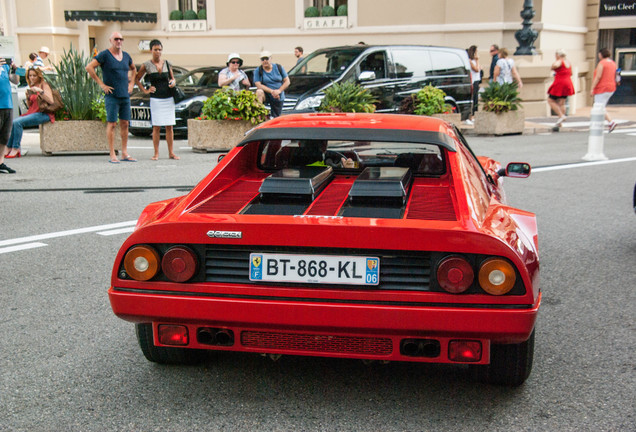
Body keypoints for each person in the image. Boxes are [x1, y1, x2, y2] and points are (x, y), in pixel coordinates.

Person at [86, 32, 137, 163]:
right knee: (112, 123)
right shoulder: (104, 55)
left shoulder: (126, 56)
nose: (118, 41)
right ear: (111, 40)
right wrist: (101, 84)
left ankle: (125, 153)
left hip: (124, 95)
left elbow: (134, 68)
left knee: (125, 123)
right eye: (116, 39)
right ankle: (112, 153)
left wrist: (131, 84)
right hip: (111, 95)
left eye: (120, 39)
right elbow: (89, 67)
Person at [135, 39, 179, 161]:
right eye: (155, 49)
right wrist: (145, 90)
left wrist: (173, 82)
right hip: (156, 98)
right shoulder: (147, 65)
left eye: (159, 49)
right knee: (156, 127)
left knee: (169, 126)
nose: (158, 52)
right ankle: (156, 153)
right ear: (151, 50)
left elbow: (172, 78)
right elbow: (137, 78)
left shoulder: (167, 63)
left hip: (168, 97)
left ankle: (171, 152)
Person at [5, 68, 55, 158]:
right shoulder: (31, 86)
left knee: (17, 122)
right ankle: (9, 147)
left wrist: (40, 91)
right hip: (33, 113)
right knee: (14, 122)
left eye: (34, 76)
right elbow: (30, 105)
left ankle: (16, 148)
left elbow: (51, 101)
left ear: (39, 76)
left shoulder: (43, 85)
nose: (32, 78)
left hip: (44, 114)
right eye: (30, 76)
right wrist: (28, 97)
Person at [254, 51, 290, 118]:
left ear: (271, 58)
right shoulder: (258, 70)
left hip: (278, 95)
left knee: (276, 117)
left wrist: (279, 91)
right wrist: (272, 91)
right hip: (267, 95)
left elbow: (287, 81)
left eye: (266, 58)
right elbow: (258, 84)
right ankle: (258, 116)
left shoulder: (279, 67)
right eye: (262, 59)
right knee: (259, 92)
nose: (265, 61)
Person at [591, 47, 618, 133]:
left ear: (601, 55)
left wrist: (592, 88)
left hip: (602, 87)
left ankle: (611, 122)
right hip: (611, 87)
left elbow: (598, 77)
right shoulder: (613, 63)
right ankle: (605, 122)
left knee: (599, 106)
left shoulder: (602, 63)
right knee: (602, 106)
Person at [547, 49, 575, 127]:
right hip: (568, 82)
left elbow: (555, 65)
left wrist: (553, 67)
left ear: (558, 55)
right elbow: (571, 73)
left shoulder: (560, 61)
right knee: (562, 102)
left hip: (560, 83)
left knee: (550, 100)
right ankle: (560, 121)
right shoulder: (568, 62)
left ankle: (561, 115)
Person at [0, 58, 18, 173]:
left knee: (4, 136)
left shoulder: (5, 65)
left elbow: (15, 81)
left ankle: (0, 162)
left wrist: (14, 70)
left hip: (7, 104)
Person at [290, 140, 355, 168]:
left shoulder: (286, 167)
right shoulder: (328, 170)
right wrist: (348, 169)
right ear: (324, 146)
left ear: (299, 144)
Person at [466, 45, 481, 124]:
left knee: (476, 99)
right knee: (473, 99)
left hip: (476, 81)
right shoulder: (470, 61)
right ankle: (470, 116)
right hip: (473, 81)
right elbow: (477, 69)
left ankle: (474, 116)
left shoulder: (474, 61)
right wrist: (477, 61)